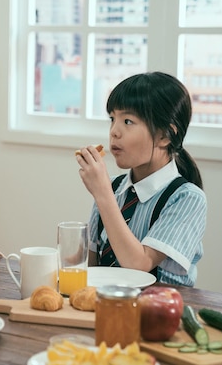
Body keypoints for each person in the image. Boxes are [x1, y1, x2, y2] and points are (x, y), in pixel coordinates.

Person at [76, 71, 206, 287]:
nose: (114, 132)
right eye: (112, 119)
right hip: (107, 307)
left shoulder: (187, 199)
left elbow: (139, 264)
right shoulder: (113, 188)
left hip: (158, 313)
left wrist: (102, 194)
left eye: (128, 121)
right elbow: (90, 267)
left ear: (165, 135)